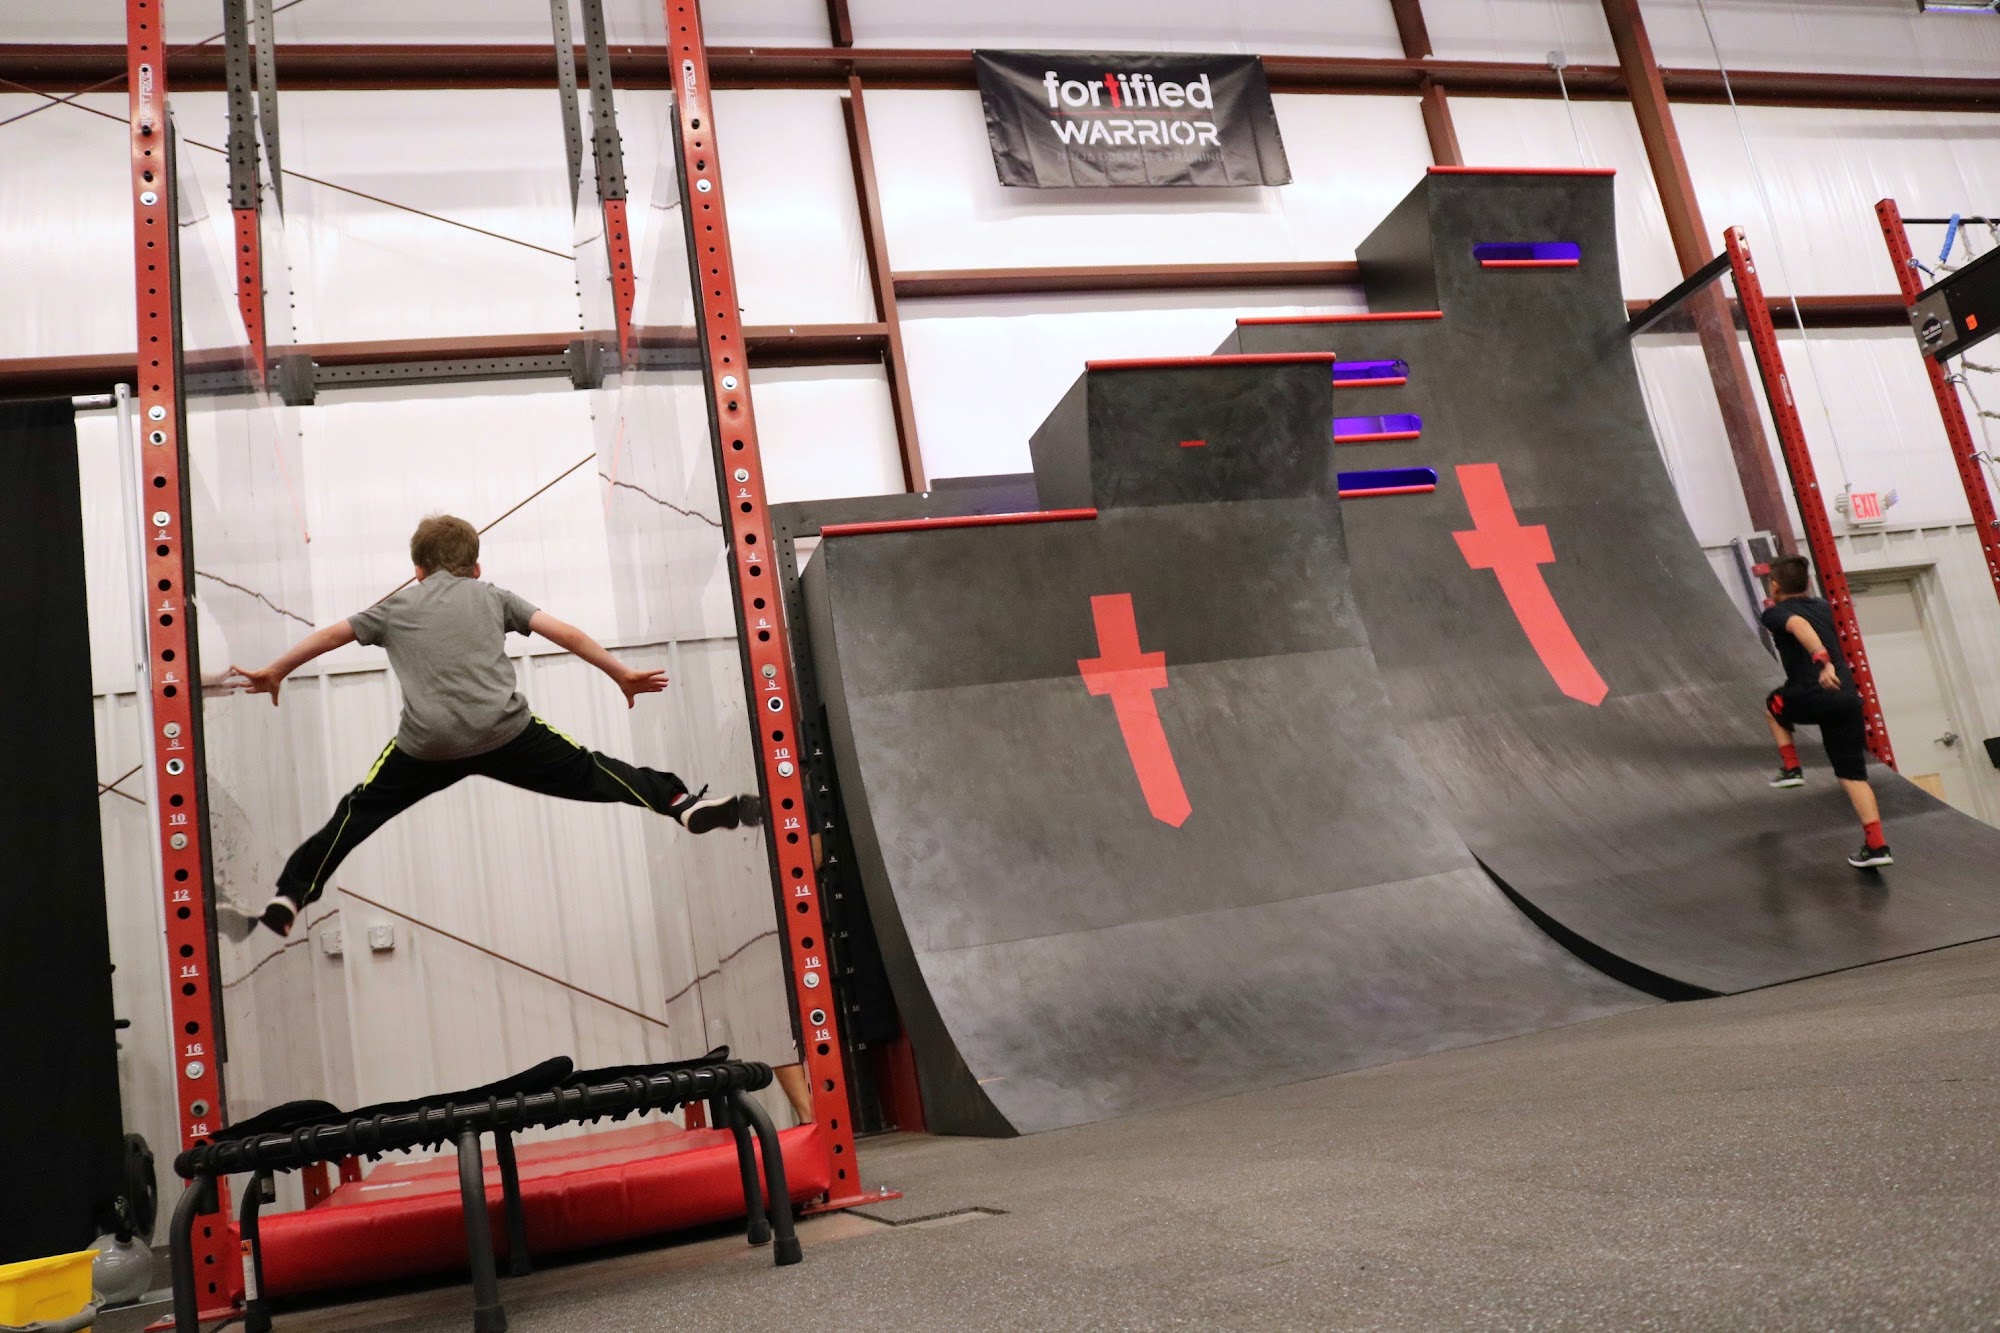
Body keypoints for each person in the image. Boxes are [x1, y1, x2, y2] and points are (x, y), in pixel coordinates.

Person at [230, 514, 760, 936]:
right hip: (505, 733)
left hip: (426, 746)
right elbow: (565, 632)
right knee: (594, 771)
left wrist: (277, 670)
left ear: (418, 570)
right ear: (476, 567)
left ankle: (290, 896)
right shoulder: (493, 596)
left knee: (357, 812)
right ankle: (678, 803)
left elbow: (330, 636)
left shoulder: (392, 608)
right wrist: (619, 673)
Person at [1759, 553, 1890, 869]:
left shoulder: (1776, 613)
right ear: (1807, 583)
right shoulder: (1822, 606)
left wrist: (1822, 660)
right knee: (1852, 775)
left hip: (1811, 693)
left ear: (1774, 586)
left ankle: (1792, 768)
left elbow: (1798, 625)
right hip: (1845, 699)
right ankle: (1877, 846)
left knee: (1773, 707)